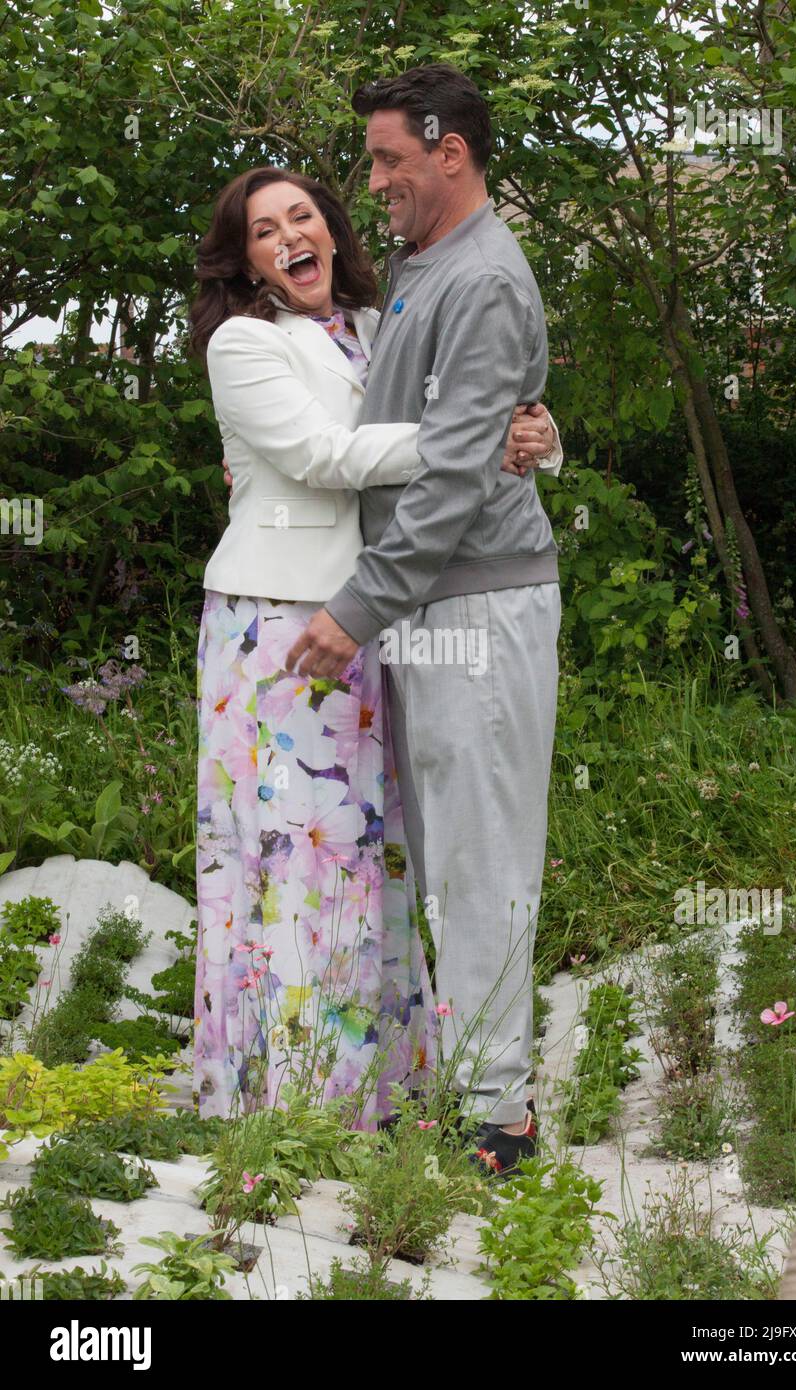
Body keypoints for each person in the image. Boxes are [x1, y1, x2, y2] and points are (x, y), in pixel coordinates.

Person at [189, 165, 561, 1132]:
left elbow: (473, 396)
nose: (289, 238)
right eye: (264, 230)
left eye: (302, 217)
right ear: (246, 260)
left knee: (362, 852)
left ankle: (378, 1087)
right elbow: (326, 456)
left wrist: (534, 432)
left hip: (363, 614)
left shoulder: (373, 321)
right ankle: (282, 1094)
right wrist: (472, 439)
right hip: (280, 620)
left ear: (331, 229)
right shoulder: (244, 342)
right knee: (287, 852)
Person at [285, 65, 563, 1177]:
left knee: (482, 855)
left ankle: (501, 1117)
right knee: (448, 855)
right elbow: (459, 432)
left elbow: (452, 477)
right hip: (433, 600)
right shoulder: (422, 266)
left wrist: (355, 611)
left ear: (451, 152)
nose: (373, 181)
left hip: (476, 603)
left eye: (389, 158)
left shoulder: (481, 275)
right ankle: (466, 1087)